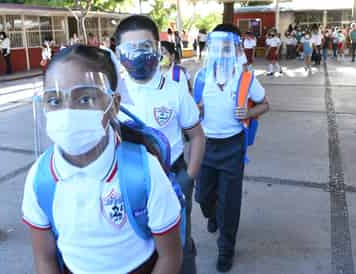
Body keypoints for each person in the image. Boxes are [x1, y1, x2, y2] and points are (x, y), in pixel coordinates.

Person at [22, 44, 183, 274]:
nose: (68, 113)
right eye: (55, 101)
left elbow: (170, 255)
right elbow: (44, 258)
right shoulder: (40, 178)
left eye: (85, 99)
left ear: (113, 105)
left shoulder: (143, 171)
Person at [115, 15, 206, 274]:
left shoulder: (175, 90)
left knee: (179, 242)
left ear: (157, 48)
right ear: (119, 53)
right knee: (140, 244)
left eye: (145, 47)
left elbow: (197, 136)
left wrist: (189, 178)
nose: (138, 56)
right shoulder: (112, 94)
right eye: (130, 49)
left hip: (172, 176)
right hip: (129, 180)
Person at [194, 24, 269, 272]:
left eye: (227, 46)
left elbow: (265, 104)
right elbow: (192, 110)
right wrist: (197, 111)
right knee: (203, 197)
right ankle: (212, 214)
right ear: (212, 47)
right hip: (205, 145)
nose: (222, 50)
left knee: (230, 202)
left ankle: (226, 249)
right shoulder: (201, 76)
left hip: (232, 147)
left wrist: (249, 111)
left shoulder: (245, 78)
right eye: (218, 45)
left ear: (235, 48)